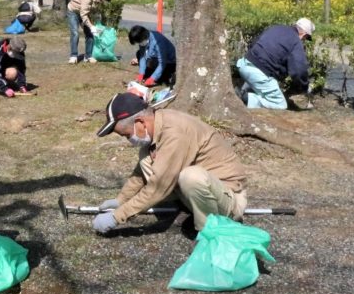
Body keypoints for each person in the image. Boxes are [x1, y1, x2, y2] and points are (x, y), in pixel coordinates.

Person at [92, 92, 247, 235]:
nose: (128, 139)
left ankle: (209, 232)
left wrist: (117, 217)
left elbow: (158, 186)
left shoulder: (175, 133)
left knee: (191, 177)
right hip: (208, 190)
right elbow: (141, 173)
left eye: (126, 135)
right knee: (146, 156)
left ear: (140, 121)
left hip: (229, 197)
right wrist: (121, 200)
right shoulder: (158, 123)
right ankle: (191, 208)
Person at [236, 18, 314, 110]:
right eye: (306, 38)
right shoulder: (296, 41)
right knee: (280, 104)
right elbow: (299, 71)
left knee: (259, 78)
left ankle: (243, 91)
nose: (304, 40)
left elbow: (254, 43)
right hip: (258, 74)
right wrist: (304, 86)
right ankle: (245, 98)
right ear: (303, 34)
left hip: (243, 64)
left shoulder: (276, 28)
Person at [66, 0, 112, 64]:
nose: (101, 2)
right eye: (101, 1)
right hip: (74, 12)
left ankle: (88, 56)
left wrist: (97, 25)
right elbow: (83, 15)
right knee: (75, 33)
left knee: (90, 34)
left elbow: (95, 12)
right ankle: (73, 56)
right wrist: (91, 27)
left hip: (86, 13)